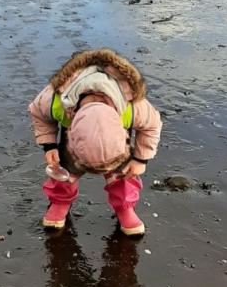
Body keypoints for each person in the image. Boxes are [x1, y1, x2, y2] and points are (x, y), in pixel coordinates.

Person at [28, 48, 162, 235]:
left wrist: (140, 159)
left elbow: (152, 125)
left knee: (123, 173)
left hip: (113, 141)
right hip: (79, 133)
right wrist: (49, 145)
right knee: (64, 169)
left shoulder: (134, 107)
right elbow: (38, 113)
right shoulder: (54, 100)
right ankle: (60, 201)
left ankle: (125, 206)